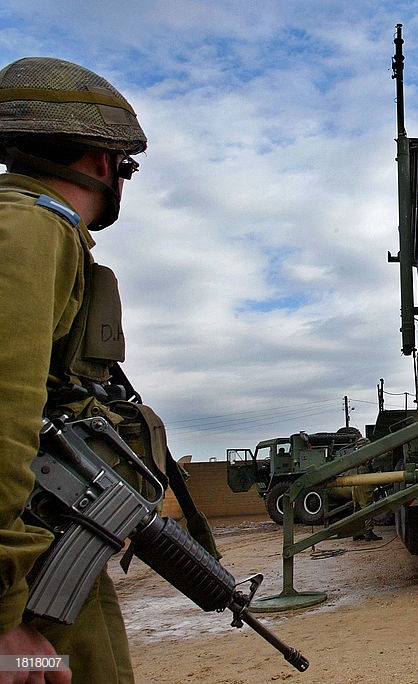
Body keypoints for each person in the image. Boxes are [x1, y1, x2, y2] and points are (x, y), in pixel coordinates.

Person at [0, 57, 147, 682]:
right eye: (126, 166)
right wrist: (3, 614)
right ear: (97, 160)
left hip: (41, 564)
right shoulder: (32, 231)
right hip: (27, 590)